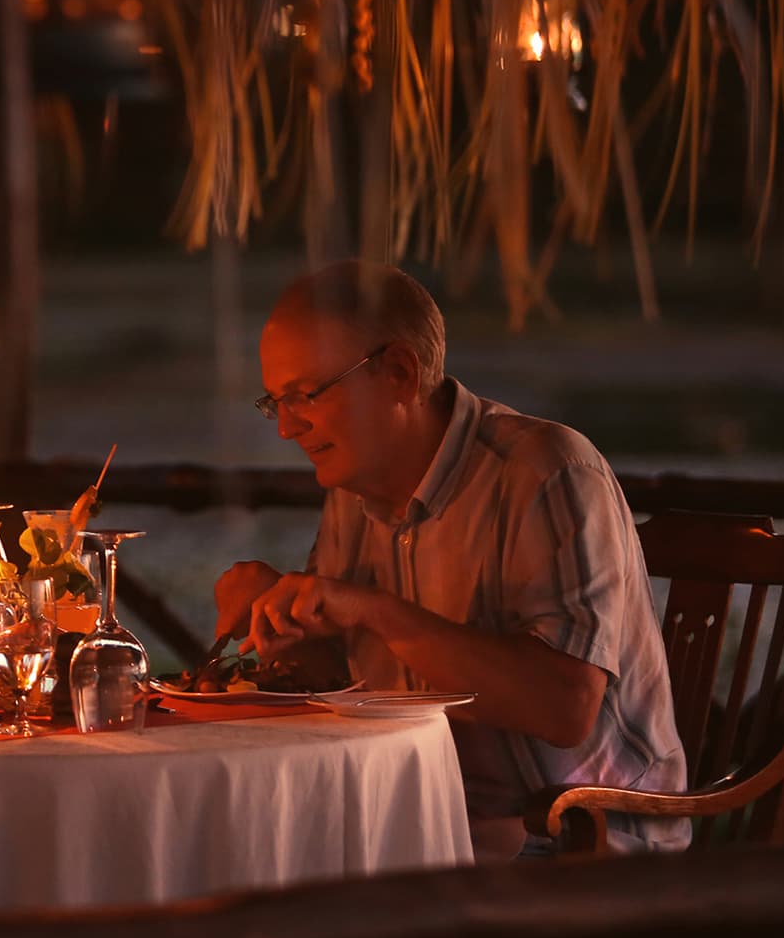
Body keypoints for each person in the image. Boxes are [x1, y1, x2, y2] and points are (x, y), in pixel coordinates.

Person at [214, 262, 688, 858]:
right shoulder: (353, 492)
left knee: (281, 907)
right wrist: (281, 618)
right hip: (430, 827)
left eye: (304, 395)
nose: (286, 428)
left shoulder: (547, 471)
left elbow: (565, 707)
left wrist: (374, 611)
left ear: (398, 374)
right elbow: (342, 683)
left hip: (584, 846)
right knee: (225, 859)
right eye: (274, 402)